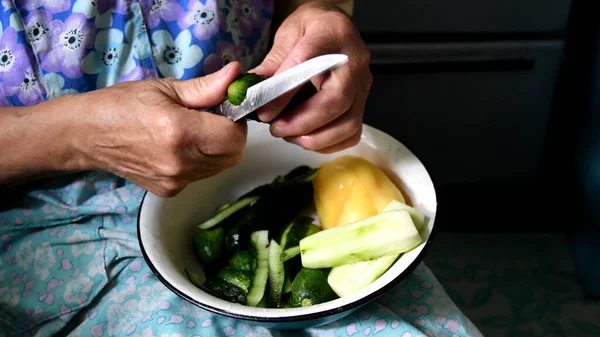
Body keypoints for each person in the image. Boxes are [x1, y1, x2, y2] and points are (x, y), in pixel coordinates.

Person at [0, 1, 483, 336]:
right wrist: (75, 135)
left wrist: (319, 14)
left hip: (261, 167)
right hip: (46, 224)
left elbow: (310, 3)